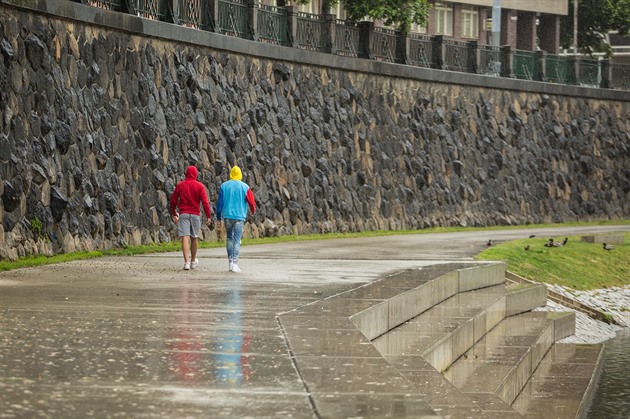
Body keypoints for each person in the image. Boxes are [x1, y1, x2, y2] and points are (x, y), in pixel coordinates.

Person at [170, 165, 212, 270]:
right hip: (195, 214)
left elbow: (173, 201)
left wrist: (174, 213)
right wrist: (208, 216)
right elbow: (205, 202)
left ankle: (186, 263)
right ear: (196, 174)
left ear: (186, 173)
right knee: (194, 237)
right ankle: (193, 261)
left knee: (184, 237)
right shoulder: (200, 186)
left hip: (183, 213)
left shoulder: (180, 185)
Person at [216, 165, 256, 273]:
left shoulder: (224, 186)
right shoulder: (245, 187)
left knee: (229, 238)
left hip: (227, 216)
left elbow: (219, 204)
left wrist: (218, 217)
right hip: (239, 217)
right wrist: (253, 210)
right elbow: (251, 201)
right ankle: (235, 263)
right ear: (240, 175)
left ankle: (230, 263)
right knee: (237, 240)